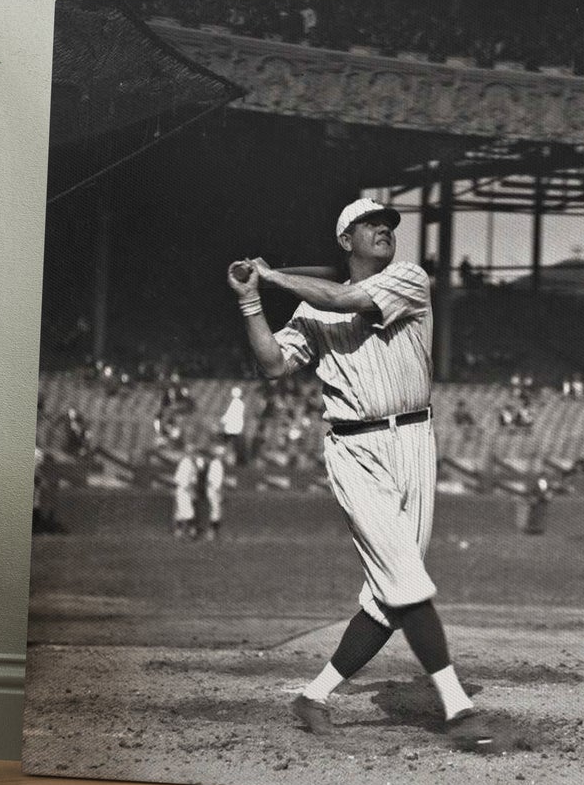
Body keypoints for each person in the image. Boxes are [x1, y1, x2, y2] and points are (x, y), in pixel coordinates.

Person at [228, 196, 484, 746]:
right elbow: (272, 365)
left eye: (388, 224)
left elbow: (345, 297)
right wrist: (252, 301)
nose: (383, 230)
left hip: (416, 441)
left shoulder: (408, 279)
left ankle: (313, 695)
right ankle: (459, 709)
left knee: (389, 595)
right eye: (369, 225)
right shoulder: (310, 309)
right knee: (406, 580)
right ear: (346, 242)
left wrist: (272, 275)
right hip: (355, 449)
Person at [172, 444, 201, 540]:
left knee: (181, 512)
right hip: (185, 490)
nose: (194, 454)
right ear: (188, 453)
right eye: (192, 452)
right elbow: (183, 481)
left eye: (194, 452)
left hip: (186, 489)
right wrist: (191, 491)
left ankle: (179, 532)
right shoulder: (186, 463)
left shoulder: (191, 463)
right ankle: (188, 533)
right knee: (188, 512)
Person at [203, 444, 227, 541]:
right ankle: (211, 533)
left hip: (213, 490)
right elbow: (213, 481)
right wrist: (218, 492)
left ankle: (213, 533)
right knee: (215, 511)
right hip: (214, 490)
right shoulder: (216, 464)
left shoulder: (217, 464)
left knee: (216, 511)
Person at [220, 385, 248, 465]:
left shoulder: (235, 403)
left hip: (232, 428)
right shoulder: (239, 403)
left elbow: (230, 415)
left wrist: (223, 420)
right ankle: (236, 460)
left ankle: (233, 461)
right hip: (235, 428)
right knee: (235, 445)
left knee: (230, 444)